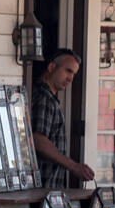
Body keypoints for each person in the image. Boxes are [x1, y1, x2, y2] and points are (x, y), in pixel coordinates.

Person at [31, 48, 95, 188]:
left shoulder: (47, 97)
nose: (71, 79)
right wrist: (73, 166)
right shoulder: (44, 98)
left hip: (46, 189)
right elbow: (37, 140)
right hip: (41, 189)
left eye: (74, 74)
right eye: (68, 71)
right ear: (52, 67)